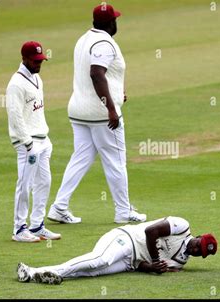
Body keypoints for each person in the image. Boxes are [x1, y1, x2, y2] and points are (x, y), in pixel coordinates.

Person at [47, 4, 146, 225]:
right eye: (115, 20)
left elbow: (99, 75)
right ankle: (123, 211)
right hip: (100, 114)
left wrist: (117, 94)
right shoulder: (105, 43)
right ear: (111, 23)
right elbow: (96, 73)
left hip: (79, 110)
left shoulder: (84, 39)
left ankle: (59, 207)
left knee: (81, 157)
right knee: (116, 161)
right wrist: (110, 107)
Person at [17, 216, 218, 284]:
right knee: (100, 260)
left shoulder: (180, 264)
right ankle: (34, 271)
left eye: (200, 252)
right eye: (198, 244)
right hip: (126, 238)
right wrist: (156, 259)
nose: (196, 249)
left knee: (93, 272)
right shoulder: (182, 226)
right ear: (199, 236)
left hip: (129, 263)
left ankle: (46, 275)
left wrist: (152, 268)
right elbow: (151, 231)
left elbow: (142, 266)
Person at [6, 41, 60, 242]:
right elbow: (15, 115)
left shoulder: (37, 79)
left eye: (41, 60)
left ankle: (37, 225)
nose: (39, 64)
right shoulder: (16, 84)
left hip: (42, 140)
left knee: (44, 181)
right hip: (27, 143)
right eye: (35, 60)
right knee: (25, 184)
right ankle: (19, 229)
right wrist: (27, 142)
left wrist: (45, 138)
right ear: (24, 59)